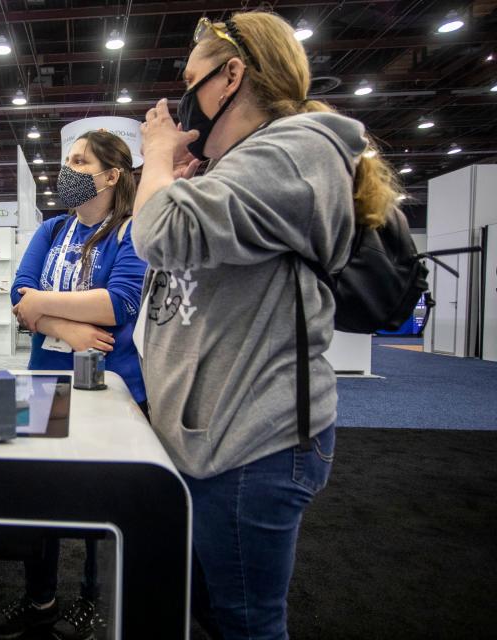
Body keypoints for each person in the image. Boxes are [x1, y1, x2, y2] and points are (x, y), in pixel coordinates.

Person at [131, 11, 402, 639]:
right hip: (215, 437)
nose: (181, 98)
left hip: (253, 442)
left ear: (232, 76)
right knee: (211, 613)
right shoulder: (246, 161)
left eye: (191, 79)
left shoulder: (294, 150)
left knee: (246, 623)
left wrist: (156, 157)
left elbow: (158, 234)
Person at [0, 130, 147, 640]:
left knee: (106, 505)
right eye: (68, 160)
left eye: (79, 161)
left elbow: (119, 303)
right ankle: (41, 599)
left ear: (111, 175)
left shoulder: (131, 231)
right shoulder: (53, 228)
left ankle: (95, 600)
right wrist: (66, 327)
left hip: (112, 390)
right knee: (40, 499)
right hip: (46, 381)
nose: (68, 169)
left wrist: (39, 307)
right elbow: (18, 292)